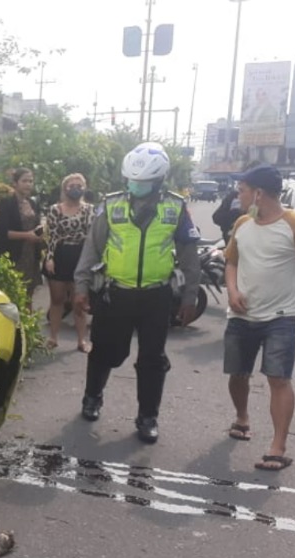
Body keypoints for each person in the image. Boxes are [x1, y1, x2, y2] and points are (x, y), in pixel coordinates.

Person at [73, 142, 202, 443]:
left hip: (156, 297)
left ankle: (148, 417)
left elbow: (189, 257)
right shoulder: (112, 204)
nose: (135, 185)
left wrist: (189, 297)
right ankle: (92, 397)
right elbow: (91, 249)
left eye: (142, 182)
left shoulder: (175, 207)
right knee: (106, 351)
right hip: (115, 293)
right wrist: (80, 287)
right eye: (132, 180)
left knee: (152, 359)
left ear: (158, 182)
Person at [222, 165, 295, 471]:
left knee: (278, 379)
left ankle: (277, 447)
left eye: (241, 190)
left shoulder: (293, 223)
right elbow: (231, 262)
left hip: (282, 316)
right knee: (237, 374)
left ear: (258, 193)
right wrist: (231, 291)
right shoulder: (242, 223)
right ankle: (242, 418)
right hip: (241, 315)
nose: (236, 196)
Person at [44, 173, 95, 352]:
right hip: (60, 254)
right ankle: (53, 338)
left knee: (79, 300)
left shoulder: (90, 209)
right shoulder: (55, 209)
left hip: (81, 256)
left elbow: (91, 237)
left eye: (79, 185)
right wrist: (49, 257)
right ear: (65, 188)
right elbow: (52, 235)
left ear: (84, 188)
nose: (75, 188)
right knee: (57, 299)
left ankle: (82, 340)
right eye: (71, 185)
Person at [0, 167, 45, 306]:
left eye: (31, 181)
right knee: (12, 296)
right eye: (24, 181)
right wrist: (27, 235)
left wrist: (40, 234)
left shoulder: (33, 203)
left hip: (31, 255)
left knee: (29, 295)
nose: (28, 184)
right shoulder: (7, 204)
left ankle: (27, 326)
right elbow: (2, 233)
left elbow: (36, 226)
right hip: (14, 255)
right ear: (15, 183)